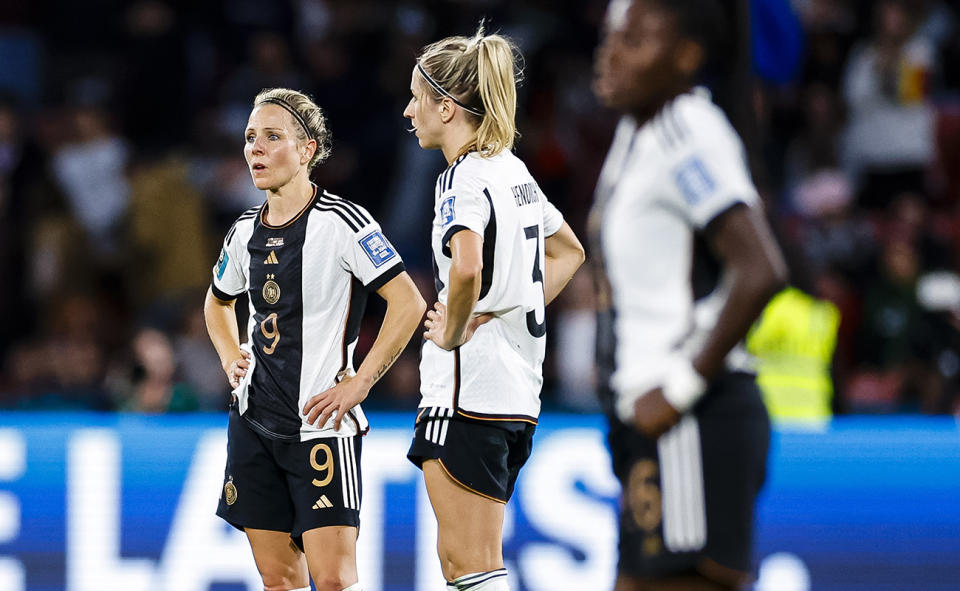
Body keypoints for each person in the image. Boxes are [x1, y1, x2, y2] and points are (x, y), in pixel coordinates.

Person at [590, 1, 788, 590]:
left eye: (636, 39)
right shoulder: (639, 132)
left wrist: (678, 388)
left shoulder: (686, 131)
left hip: (691, 422)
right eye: (612, 36)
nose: (613, 51)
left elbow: (760, 269)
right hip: (649, 426)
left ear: (687, 56)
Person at [204, 88, 425, 591]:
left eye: (272, 137)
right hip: (253, 423)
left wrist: (361, 382)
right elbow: (217, 302)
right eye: (250, 137)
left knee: (333, 581)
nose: (255, 149)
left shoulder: (344, 223)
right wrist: (229, 354)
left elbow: (407, 302)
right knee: (278, 579)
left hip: (321, 426)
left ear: (307, 149)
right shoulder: (241, 232)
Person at [402, 26, 586, 591]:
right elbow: (569, 252)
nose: (409, 111)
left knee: (468, 566)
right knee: (474, 564)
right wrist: (507, 306)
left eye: (417, 97)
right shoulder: (514, 171)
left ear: (448, 107)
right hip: (515, 393)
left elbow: (465, 267)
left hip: (466, 393)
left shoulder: (464, 177)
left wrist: (454, 329)